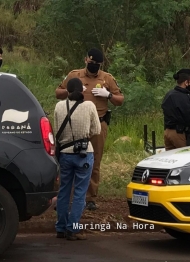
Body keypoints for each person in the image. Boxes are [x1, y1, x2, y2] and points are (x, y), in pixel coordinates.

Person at [55, 48, 124, 211]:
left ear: (101, 64)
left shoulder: (107, 78)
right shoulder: (74, 75)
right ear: (86, 60)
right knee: (68, 159)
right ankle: (67, 197)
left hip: (98, 124)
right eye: (91, 63)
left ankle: (91, 197)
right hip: (74, 124)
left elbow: (120, 100)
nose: (93, 66)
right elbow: (58, 93)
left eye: (97, 64)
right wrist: (72, 91)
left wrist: (108, 95)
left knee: (94, 160)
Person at [54, 77, 101, 240]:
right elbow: (97, 129)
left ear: (67, 91)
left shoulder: (59, 106)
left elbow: (56, 129)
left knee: (64, 191)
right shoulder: (89, 106)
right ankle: (72, 229)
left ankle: (60, 227)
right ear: (82, 90)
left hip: (65, 154)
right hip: (84, 153)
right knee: (80, 193)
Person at [161, 68, 190, 151]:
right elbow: (189, 117)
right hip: (179, 134)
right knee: (183, 158)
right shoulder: (184, 97)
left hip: (168, 132)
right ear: (186, 82)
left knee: (170, 158)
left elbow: (178, 110)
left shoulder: (170, 94)